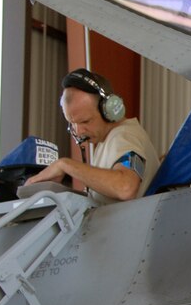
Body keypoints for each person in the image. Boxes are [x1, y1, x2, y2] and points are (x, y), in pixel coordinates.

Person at [24, 68, 159, 205]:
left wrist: (65, 165)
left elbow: (126, 187)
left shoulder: (125, 136)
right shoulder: (105, 142)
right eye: (72, 123)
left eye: (85, 121)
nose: (79, 131)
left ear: (109, 110)